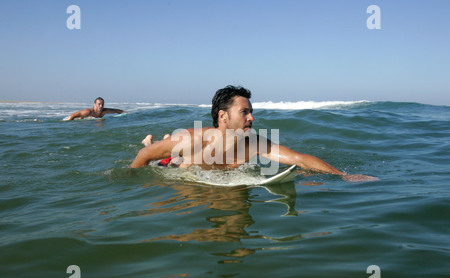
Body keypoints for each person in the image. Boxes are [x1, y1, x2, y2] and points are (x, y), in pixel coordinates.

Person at [130, 85, 377, 182]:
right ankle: (157, 139)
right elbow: (143, 155)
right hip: (176, 168)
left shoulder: (254, 143)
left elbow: (300, 159)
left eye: (252, 112)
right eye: (245, 112)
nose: (252, 118)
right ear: (223, 116)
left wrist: (342, 175)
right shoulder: (193, 140)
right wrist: (133, 178)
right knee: (168, 156)